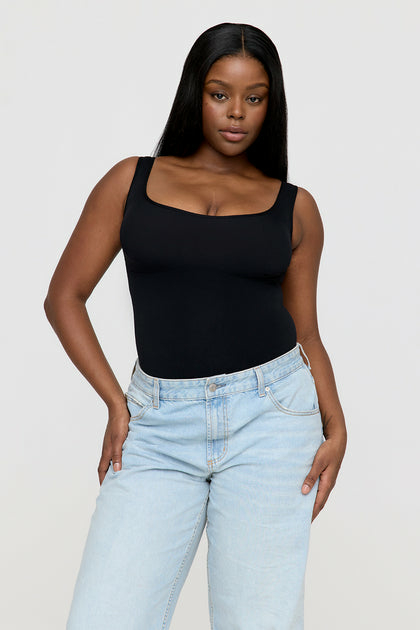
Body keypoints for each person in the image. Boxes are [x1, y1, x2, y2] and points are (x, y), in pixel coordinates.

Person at [44, 22, 347, 630]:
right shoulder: (130, 181)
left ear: (271, 104)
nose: (236, 112)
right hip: (157, 424)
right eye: (220, 94)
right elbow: (63, 298)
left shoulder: (296, 208)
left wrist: (336, 424)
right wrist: (116, 402)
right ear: (195, 94)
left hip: (273, 421)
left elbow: (306, 333)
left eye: (254, 97)